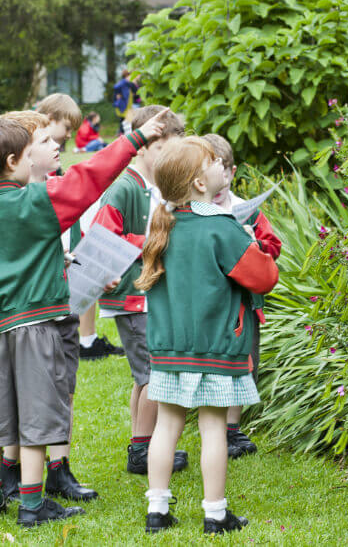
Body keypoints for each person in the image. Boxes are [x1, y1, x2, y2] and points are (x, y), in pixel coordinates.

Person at [0, 110, 168, 526]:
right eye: (35, 151)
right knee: (38, 417)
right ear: (15, 162)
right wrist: (136, 138)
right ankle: (32, 506)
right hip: (38, 327)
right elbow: (90, 177)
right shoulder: (37, 200)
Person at [133, 136, 279, 534]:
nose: (223, 167)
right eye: (215, 163)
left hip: (169, 350)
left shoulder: (162, 226)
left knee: (167, 426)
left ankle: (157, 511)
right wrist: (252, 243)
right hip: (216, 348)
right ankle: (215, 513)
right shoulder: (222, 228)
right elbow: (264, 277)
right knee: (213, 427)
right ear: (200, 183)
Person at [0, 110, 99, 505]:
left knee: (62, 387)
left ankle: (59, 468)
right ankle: (12, 469)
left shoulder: (55, 188)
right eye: (51, 139)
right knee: (24, 393)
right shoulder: (13, 198)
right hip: (28, 316)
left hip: (63, 304)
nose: (60, 145)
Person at [92, 105, 188, 475]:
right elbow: (102, 238)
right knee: (153, 374)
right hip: (130, 296)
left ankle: (140, 443)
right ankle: (143, 451)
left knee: (144, 375)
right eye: (163, 149)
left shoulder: (155, 187)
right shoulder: (124, 188)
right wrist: (150, 240)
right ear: (142, 146)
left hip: (146, 294)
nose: (170, 158)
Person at [203, 133, 282, 459]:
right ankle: (212, 425)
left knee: (244, 362)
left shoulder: (245, 211)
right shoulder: (195, 213)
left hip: (244, 305)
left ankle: (232, 430)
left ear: (232, 173)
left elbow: (273, 246)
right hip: (210, 305)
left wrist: (254, 243)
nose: (220, 184)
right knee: (211, 364)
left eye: (225, 174)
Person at [36, 94, 124, 362]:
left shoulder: (52, 163)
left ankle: (85, 339)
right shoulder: (36, 166)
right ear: (50, 120)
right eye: (66, 128)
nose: (67, 136)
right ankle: (82, 340)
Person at [113, 70, 140, 135]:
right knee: (125, 120)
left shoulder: (128, 83)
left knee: (126, 121)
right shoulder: (123, 82)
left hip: (128, 105)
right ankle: (122, 133)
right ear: (127, 76)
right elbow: (116, 87)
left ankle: (123, 133)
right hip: (123, 105)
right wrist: (119, 93)